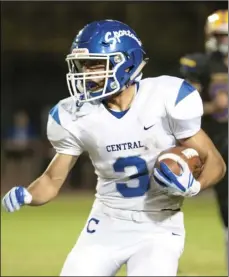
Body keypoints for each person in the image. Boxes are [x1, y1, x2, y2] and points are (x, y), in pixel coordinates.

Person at [2, 20, 226, 276]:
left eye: (95, 64)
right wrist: (29, 195)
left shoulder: (166, 97)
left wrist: (193, 186)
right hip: (106, 222)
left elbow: (215, 163)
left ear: (126, 62)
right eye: (82, 65)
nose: (86, 73)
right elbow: (52, 179)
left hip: (159, 226)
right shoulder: (74, 115)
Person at [179, 9, 228, 253]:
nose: (225, 41)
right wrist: (212, 106)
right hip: (220, 141)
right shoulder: (200, 63)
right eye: (221, 35)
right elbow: (185, 107)